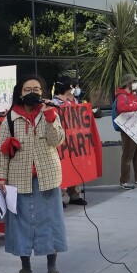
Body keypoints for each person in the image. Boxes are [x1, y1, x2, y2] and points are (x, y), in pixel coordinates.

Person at [0, 74, 67, 273]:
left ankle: (52, 268)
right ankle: (25, 267)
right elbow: (1, 149)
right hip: (19, 178)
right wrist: (1, 175)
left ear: (43, 92)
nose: (32, 93)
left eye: (36, 89)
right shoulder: (10, 117)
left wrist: (51, 117)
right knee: (21, 224)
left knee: (50, 223)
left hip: (47, 177)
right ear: (20, 92)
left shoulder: (49, 113)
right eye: (27, 90)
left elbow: (57, 141)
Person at [51, 77, 87, 206]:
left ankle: (75, 194)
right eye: (74, 87)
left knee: (75, 167)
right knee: (62, 169)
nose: (76, 89)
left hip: (74, 141)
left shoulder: (74, 101)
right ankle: (59, 197)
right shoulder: (54, 103)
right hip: (61, 142)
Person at [115, 74, 137, 189]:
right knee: (128, 156)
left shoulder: (132, 96)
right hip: (128, 129)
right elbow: (121, 108)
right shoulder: (121, 96)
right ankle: (124, 181)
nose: (135, 84)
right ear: (128, 83)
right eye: (133, 82)